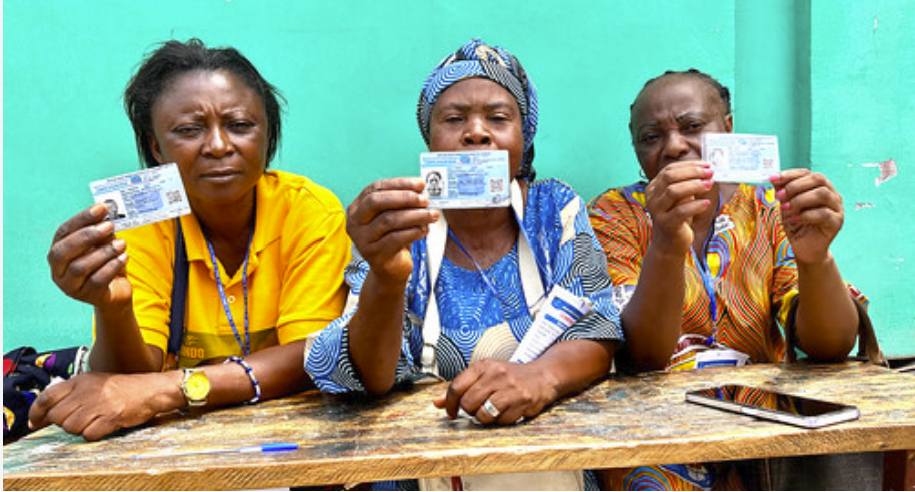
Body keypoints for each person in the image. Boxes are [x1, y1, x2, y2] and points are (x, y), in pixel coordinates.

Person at [305, 39, 622, 491]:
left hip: (542, 459)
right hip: (420, 460)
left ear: (524, 137)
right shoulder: (398, 225)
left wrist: (539, 378)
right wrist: (386, 277)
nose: (476, 133)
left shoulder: (553, 210)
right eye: (454, 119)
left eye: (498, 118)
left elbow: (597, 329)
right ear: (430, 139)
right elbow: (373, 376)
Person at [31, 38, 351, 441]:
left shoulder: (308, 211)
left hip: (290, 435)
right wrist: (113, 309)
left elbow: (312, 358)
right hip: (173, 441)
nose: (218, 146)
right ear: (156, 147)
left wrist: (174, 388)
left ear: (268, 136)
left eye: (240, 125)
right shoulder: (143, 225)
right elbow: (125, 387)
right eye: (189, 130)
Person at [587, 69, 867, 490]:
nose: (674, 147)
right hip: (659, 435)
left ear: (728, 129)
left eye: (692, 127)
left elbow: (831, 345)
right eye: (651, 137)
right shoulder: (615, 215)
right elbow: (643, 355)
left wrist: (815, 259)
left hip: (766, 433)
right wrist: (666, 244)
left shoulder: (770, 210)